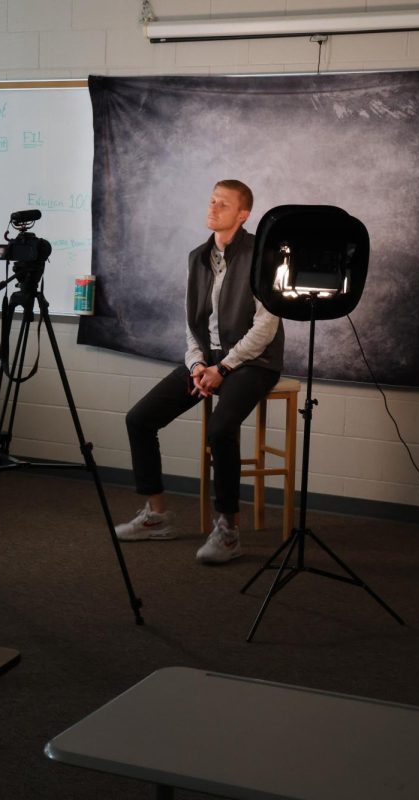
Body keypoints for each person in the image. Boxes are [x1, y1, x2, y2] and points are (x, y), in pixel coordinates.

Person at [115, 180, 283, 564]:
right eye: (211, 201)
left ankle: (228, 531)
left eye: (223, 204)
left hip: (254, 363)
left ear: (243, 214)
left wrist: (223, 367)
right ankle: (157, 516)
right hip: (209, 362)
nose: (213, 208)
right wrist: (197, 365)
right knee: (139, 419)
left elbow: (266, 327)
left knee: (221, 430)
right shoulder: (198, 257)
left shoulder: (263, 255)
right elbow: (192, 323)